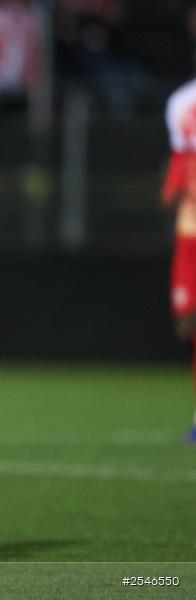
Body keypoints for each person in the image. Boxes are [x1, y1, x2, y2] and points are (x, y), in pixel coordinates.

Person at [162, 76, 196, 445]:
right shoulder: (183, 101)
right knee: (187, 324)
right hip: (190, 230)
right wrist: (170, 190)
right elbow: (181, 155)